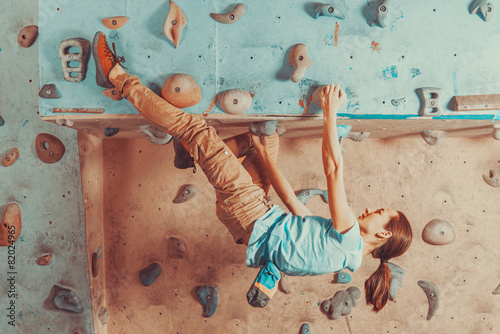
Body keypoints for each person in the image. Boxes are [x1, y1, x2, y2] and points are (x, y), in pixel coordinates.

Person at [92, 31, 412, 313]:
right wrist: (262, 153)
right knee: (264, 137)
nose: (371, 209)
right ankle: (192, 155)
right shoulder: (346, 258)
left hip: (249, 210)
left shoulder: (350, 238)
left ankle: (117, 78)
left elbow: (333, 168)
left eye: (379, 213)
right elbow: (293, 205)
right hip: (253, 220)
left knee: (197, 129)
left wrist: (329, 112)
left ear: (383, 234)